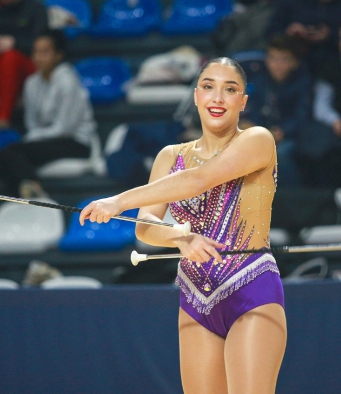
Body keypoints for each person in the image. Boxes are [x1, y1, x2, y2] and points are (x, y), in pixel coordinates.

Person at [79, 58, 286, 394]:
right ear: (195, 95)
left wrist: (117, 201)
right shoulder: (169, 155)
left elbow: (199, 180)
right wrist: (180, 236)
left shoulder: (258, 140)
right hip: (195, 295)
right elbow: (145, 225)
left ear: (243, 101)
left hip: (252, 286)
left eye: (230, 89)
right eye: (208, 86)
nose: (217, 97)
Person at [0, 29, 99, 198]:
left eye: (45, 52)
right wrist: (35, 136)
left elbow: (64, 128)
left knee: (14, 154)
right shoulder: (31, 83)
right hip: (47, 140)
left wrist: (35, 137)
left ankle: (35, 192)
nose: (38, 57)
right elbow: (31, 122)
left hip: (75, 142)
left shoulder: (68, 81)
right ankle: (21, 196)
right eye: (35, 52)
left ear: (58, 55)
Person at [240, 35, 312, 188]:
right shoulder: (261, 82)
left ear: (294, 62)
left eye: (284, 59)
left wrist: (282, 132)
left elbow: (302, 116)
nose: (277, 65)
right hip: (265, 134)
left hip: (292, 136)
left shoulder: (302, 84)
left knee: (282, 154)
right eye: (273, 59)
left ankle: (291, 198)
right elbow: (255, 111)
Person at [0, 0, 48, 129]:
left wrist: (14, 43)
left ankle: (3, 117)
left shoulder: (36, 8)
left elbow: (41, 47)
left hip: (28, 67)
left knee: (9, 57)